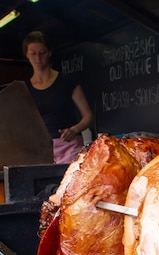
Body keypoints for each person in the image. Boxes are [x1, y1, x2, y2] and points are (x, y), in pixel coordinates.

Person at [23, 31, 93, 164]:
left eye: (42, 52)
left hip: (70, 147)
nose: (38, 58)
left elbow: (88, 116)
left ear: (49, 52)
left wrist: (74, 129)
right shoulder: (25, 89)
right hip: (42, 150)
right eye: (33, 53)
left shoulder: (67, 82)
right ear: (27, 54)